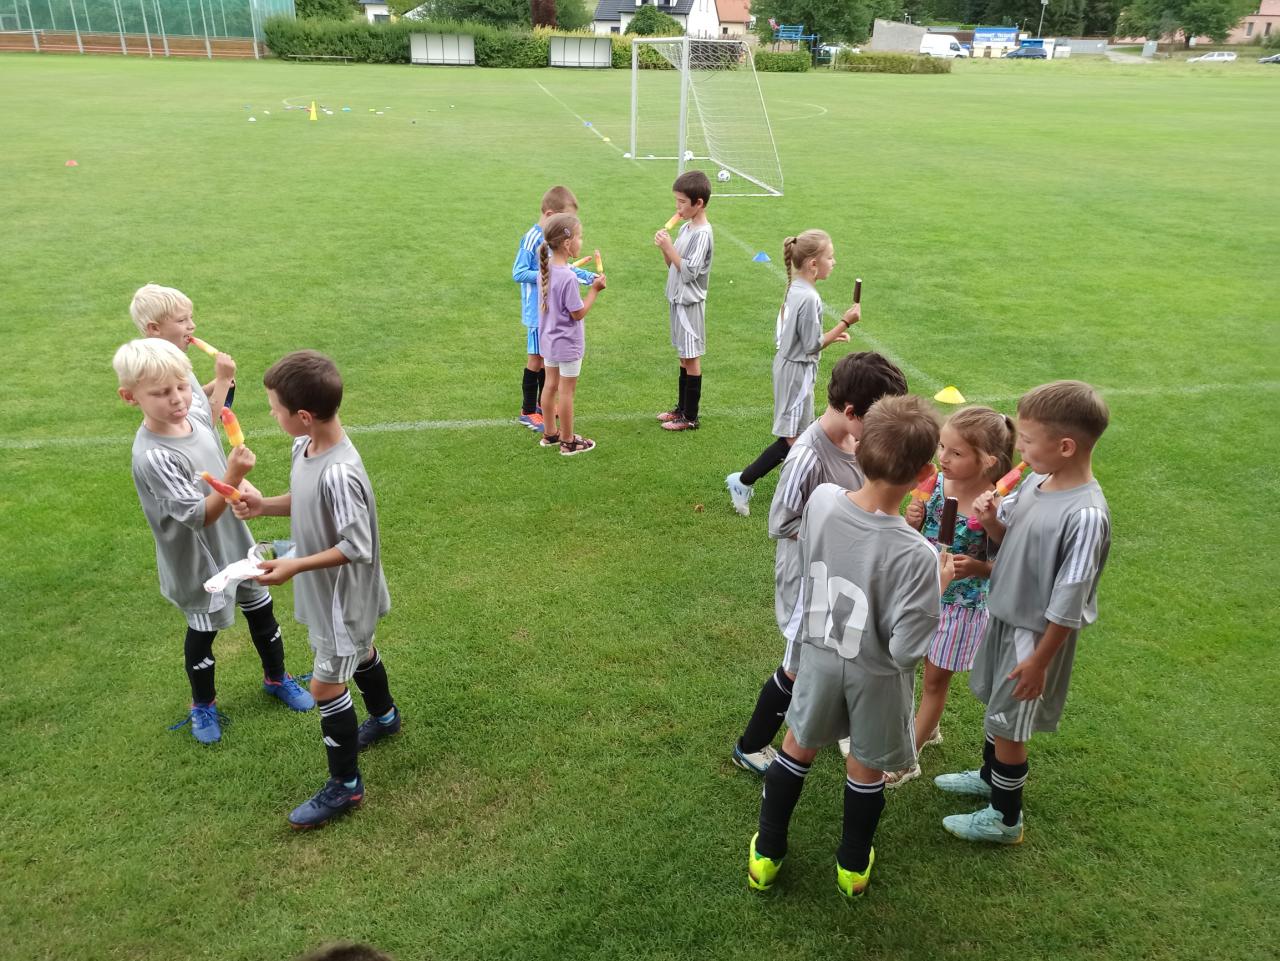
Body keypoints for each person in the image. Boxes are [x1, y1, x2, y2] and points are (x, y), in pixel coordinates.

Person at [748, 395, 953, 898]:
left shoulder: (821, 501)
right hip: (876, 675)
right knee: (865, 765)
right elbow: (906, 650)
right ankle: (852, 865)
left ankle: (767, 853)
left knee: (796, 747)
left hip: (819, 655)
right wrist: (938, 586)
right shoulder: (920, 556)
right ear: (925, 473)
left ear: (858, 448)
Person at [935, 380, 1110, 845]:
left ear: (1066, 446)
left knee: (1010, 725)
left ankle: (1005, 818)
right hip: (1004, 614)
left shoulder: (1085, 516)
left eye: (1029, 441)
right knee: (998, 708)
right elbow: (1012, 541)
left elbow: (1069, 599)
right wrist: (992, 520)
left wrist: (1039, 662)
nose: (1021, 450)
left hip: (1033, 635)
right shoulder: (1037, 480)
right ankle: (989, 776)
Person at [113, 338, 313, 745]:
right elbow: (197, 516)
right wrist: (234, 476)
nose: (177, 399)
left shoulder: (192, 416)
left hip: (235, 542)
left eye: (181, 387)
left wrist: (222, 380)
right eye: (161, 393)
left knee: (261, 611)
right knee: (203, 631)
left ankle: (277, 678)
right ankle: (203, 704)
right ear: (130, 397)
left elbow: (209, 420)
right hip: (199, 559)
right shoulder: (154, 456)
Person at [232, 351, 402, 829]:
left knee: (325, 686)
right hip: (328, 592)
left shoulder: (340, 472)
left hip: (341, 599)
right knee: (361, 652)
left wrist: (294, 566)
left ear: (303, 415)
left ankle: (346, 786)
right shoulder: (304, 447)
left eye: (275, 408)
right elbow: (307, 502)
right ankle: (385, 716)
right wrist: (262, 505)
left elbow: (356, 546)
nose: (272, 414)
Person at [731, 353, 909, 776]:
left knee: (836, 653)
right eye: (876, 421)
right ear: (851, 412)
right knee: (797, 665)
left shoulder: (855, 441)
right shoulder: (807, 456)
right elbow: (781, 522)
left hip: (841, 576)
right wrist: (844, 532)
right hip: (807, 580)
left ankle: (831, 725)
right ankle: (750, 746)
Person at [885, 406, 1016, 787]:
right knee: (909, 666)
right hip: (923, 593)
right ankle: (929, 728)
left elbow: (1008, 564)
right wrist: (911, 521)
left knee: (934, 682)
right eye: (942, 447)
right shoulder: (937, 485)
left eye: (956, 452)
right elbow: (914, 540)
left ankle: (907, 758)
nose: (942, 458)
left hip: (962, 606)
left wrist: (977, 564)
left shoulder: (998, 503)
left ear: (987, 460)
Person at [726, 230, 859, 516]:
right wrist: (845, 322)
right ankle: (744, 481)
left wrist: (832, 336)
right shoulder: (810, 297)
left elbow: (799, 336)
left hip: (790, 368)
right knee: (794, 439)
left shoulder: (795, 288)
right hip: (796, 373)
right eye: (830, 257)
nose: (834, 262)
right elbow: (810, 344)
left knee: (800, 434)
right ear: (813, 264)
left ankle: (801, 490)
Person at [512, 187, 595, 432]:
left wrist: (588, 277)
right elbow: (518, 272)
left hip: (550, 311)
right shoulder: (532, 239)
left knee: (546, 359)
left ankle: (542, 405)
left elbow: (564, 269)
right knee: (536, 359)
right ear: (550, 215)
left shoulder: (554, 241)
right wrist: (546, 275)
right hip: (536, 312)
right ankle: (528, 411)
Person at [536, 213, 607, 456]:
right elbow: (577, 313)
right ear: (567, 243)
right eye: (580, 237)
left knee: (550, 386)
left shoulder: (546, 268)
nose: (581, 241)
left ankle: (550, 433)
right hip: (567, 344)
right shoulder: (567, 277)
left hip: (549, 341)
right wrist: (595, 290)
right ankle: (568, 441)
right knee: (566, 391)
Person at [653, 171, 713, 432]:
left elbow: (689, 272)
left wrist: (669, 248)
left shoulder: (702, 234)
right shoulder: (686, 228)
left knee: (692, 357)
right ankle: (681, 408)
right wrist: (665, 249)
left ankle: (690, 417)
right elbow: (673, 265)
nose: (677, 208)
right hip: (676, 299)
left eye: (682, 202)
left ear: (698, 203)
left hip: (690, 303)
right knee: (682, 356)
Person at [129, 282, 236, 421]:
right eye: (181, 320)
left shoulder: (172, 359)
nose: (192, 326)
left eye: (191, 318)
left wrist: (208, 389)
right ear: (155, 328)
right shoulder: (162, 371)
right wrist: (223, 381)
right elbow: (202, 423)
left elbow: (191, 402)